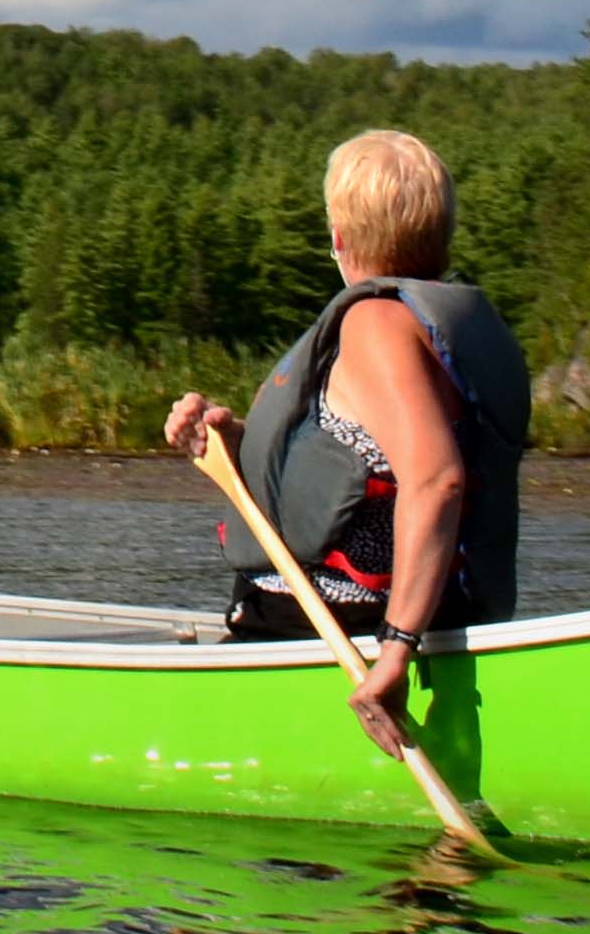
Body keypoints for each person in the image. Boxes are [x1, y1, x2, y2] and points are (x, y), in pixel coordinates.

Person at [161, 131, 532, 755]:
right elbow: (365, 457)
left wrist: (395, 651)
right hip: (418, 619)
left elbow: (436, 478)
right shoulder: (451, 324)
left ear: (338, 237)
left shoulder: (375, 324)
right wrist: (236, 442)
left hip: (332, 636)